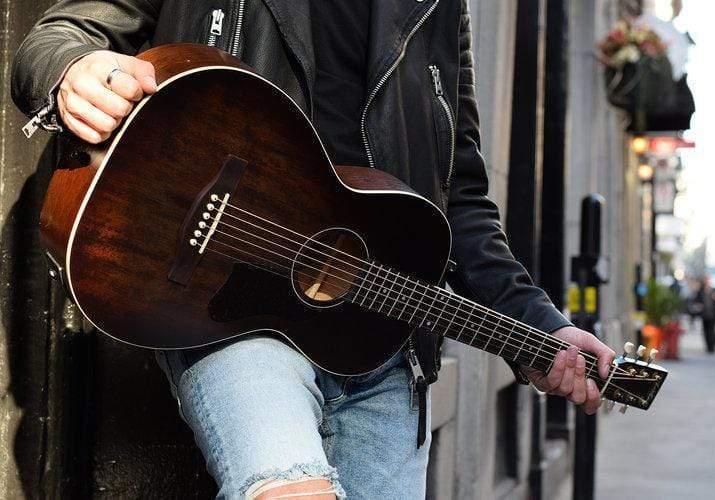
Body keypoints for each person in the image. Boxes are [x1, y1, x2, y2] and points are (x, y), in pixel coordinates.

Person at [12, 2, 615, 498]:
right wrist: (73, 70)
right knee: (289, 490)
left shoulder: (436, 8)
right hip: (225, 307)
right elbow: (62, 33)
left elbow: (461, 200)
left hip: (385, 343)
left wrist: (538, 326)